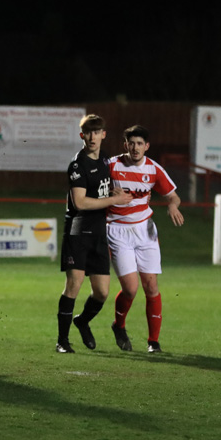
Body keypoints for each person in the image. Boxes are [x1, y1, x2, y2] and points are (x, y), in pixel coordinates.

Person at [56, 114, 131, 353]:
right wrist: (113, 199)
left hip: (99, 231)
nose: (92, 137)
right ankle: (62, 341)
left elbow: (107, 190)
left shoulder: (106, 163)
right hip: (78, 230)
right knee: (74, 285)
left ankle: (82, 321)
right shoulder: (77, 165)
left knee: (102, 292)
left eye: (96, 132)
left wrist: (118, 194)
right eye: (88, 133)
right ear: (82, 136)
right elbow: (80, 203)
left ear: (103, 135)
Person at [107, 125, 183, 352]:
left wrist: (172, 205)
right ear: (125, 145)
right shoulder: (111, 165)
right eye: (131, 143)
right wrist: (108, 194)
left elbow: (174, 196)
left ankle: (153, 342)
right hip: (117, 229)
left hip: (145, 230)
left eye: (140, 143)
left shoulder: (154, 169)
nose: (135, 147)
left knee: (151, 285)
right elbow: (91, 190)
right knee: (130, 289)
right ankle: (118, 325)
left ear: (146, 146)